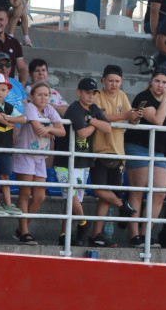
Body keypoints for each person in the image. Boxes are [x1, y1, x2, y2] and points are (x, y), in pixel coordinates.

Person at [125, 67, 166, 247]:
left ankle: (146, 234)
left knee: (159, 193)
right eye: (158, 81)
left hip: (158, 150)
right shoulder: (143, 97)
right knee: (137, 191)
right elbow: (158, 120)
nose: (160, 86)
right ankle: (134, 235)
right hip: (138, 146)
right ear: (151, 81)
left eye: (164, 83)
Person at [90, 64, 141, 246]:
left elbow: (129, 118)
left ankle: (97, 235)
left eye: (117, 81)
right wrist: (125, 116)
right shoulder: (96, 95)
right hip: (98, 151)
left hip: (118, 152)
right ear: (103, 80)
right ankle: (122, 205)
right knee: (99, 189)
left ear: (122, 82)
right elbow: (98, 117)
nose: (114, 84)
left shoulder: (122, 96)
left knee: (106, 195)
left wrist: (135, 116)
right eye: (110, 80)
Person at [12, 82, 64, 244]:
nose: (43, 97)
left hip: (40, 156)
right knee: (25, 193)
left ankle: (21, 229)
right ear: (32, 96)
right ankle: (25, 233)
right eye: (39, 94)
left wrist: (50, 130)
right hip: (26, 153)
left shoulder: (49, 109)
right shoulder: (29, 108)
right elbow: (37, 129)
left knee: (40, 196)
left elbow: (61, 131)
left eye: (46, 95)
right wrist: (50, 129)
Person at [57, 77, 107, 246]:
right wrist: (95, 123)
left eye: (94, 93)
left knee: (74, 199)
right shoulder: (74, 109)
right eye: (87, 93)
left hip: (83, 160)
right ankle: (84, 223)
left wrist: (91, 121)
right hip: (65, 160)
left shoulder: (93, 109)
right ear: (79, 92)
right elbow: (83, 134)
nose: (91, 97)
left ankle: (66, 235)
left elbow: (107, 128)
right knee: (71, 196)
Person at [0, 73, 26, 223]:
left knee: (5, 175)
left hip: (5, 147)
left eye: (3, 90)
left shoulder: (8, 107)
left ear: (7, 92)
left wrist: (10, 119)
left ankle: (8, 203)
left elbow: (23, 118)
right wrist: (11, 122)